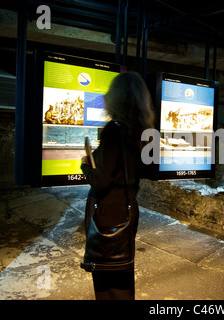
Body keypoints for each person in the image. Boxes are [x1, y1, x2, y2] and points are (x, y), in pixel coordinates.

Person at [80, 72, 155, 300]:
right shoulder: (143, 132)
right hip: (128, 209)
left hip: (109, 213)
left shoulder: (114, 130)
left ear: (117, 98)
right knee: (122, 276)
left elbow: (101, 180)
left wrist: (86, 165)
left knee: (107, 281)